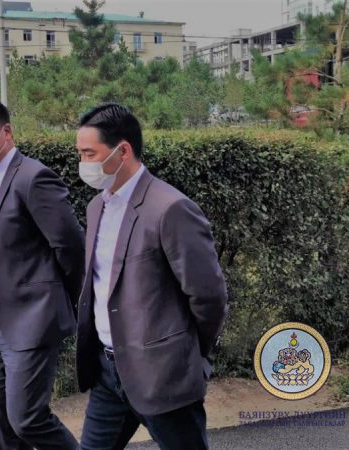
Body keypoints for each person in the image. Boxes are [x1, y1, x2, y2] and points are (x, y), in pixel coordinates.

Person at [74, 104, 228, 450]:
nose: (83, 163)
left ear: (123, 151)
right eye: (80, 154)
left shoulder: (170, 208)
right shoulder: (97, 207)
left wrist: (188, 354)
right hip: (107, 372)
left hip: (162, 374)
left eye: (89, 154)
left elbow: (208, 296)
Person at [0, 97, 85, 450]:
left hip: (32, 318)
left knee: (27, 418)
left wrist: (61, 302)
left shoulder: (33, 177)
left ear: (5, 132)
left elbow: (71, 247)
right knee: (2, 422)